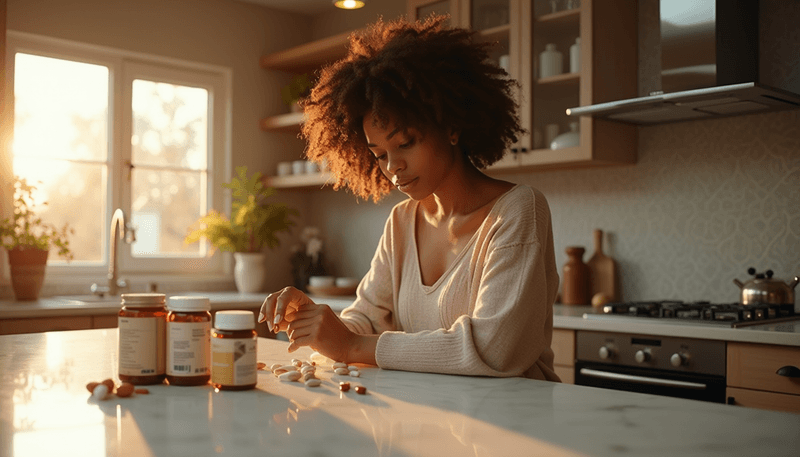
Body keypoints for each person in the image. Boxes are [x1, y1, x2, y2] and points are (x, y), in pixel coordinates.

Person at [259, 15, 560, 381]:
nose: (393, 167)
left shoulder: (518, 210)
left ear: (451, 126)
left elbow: (494, 349)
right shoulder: (403, 220)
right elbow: (368, 317)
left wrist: (351, 346)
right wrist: (320, 322)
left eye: (405, 143)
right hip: (436, 418)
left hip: (520, 423)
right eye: (380, 154)